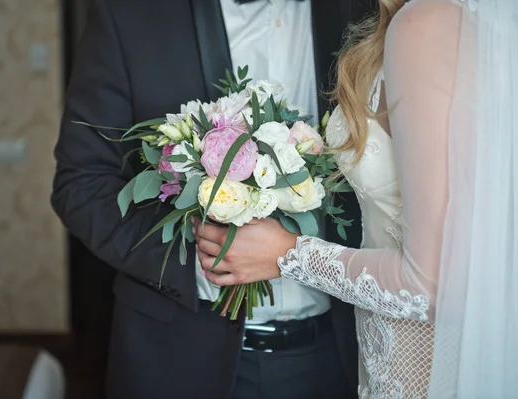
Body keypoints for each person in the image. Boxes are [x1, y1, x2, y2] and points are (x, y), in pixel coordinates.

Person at [52, 0, 375, 398]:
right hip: (179, 357)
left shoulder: (368, 11)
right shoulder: (130, 15)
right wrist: (203, 257)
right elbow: (80, 184)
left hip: (340, 353)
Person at [194, 0, 518, 397]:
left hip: (424, 367)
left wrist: (288, 254)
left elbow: (431, 282)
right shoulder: (437, 20)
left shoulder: (426, 22)